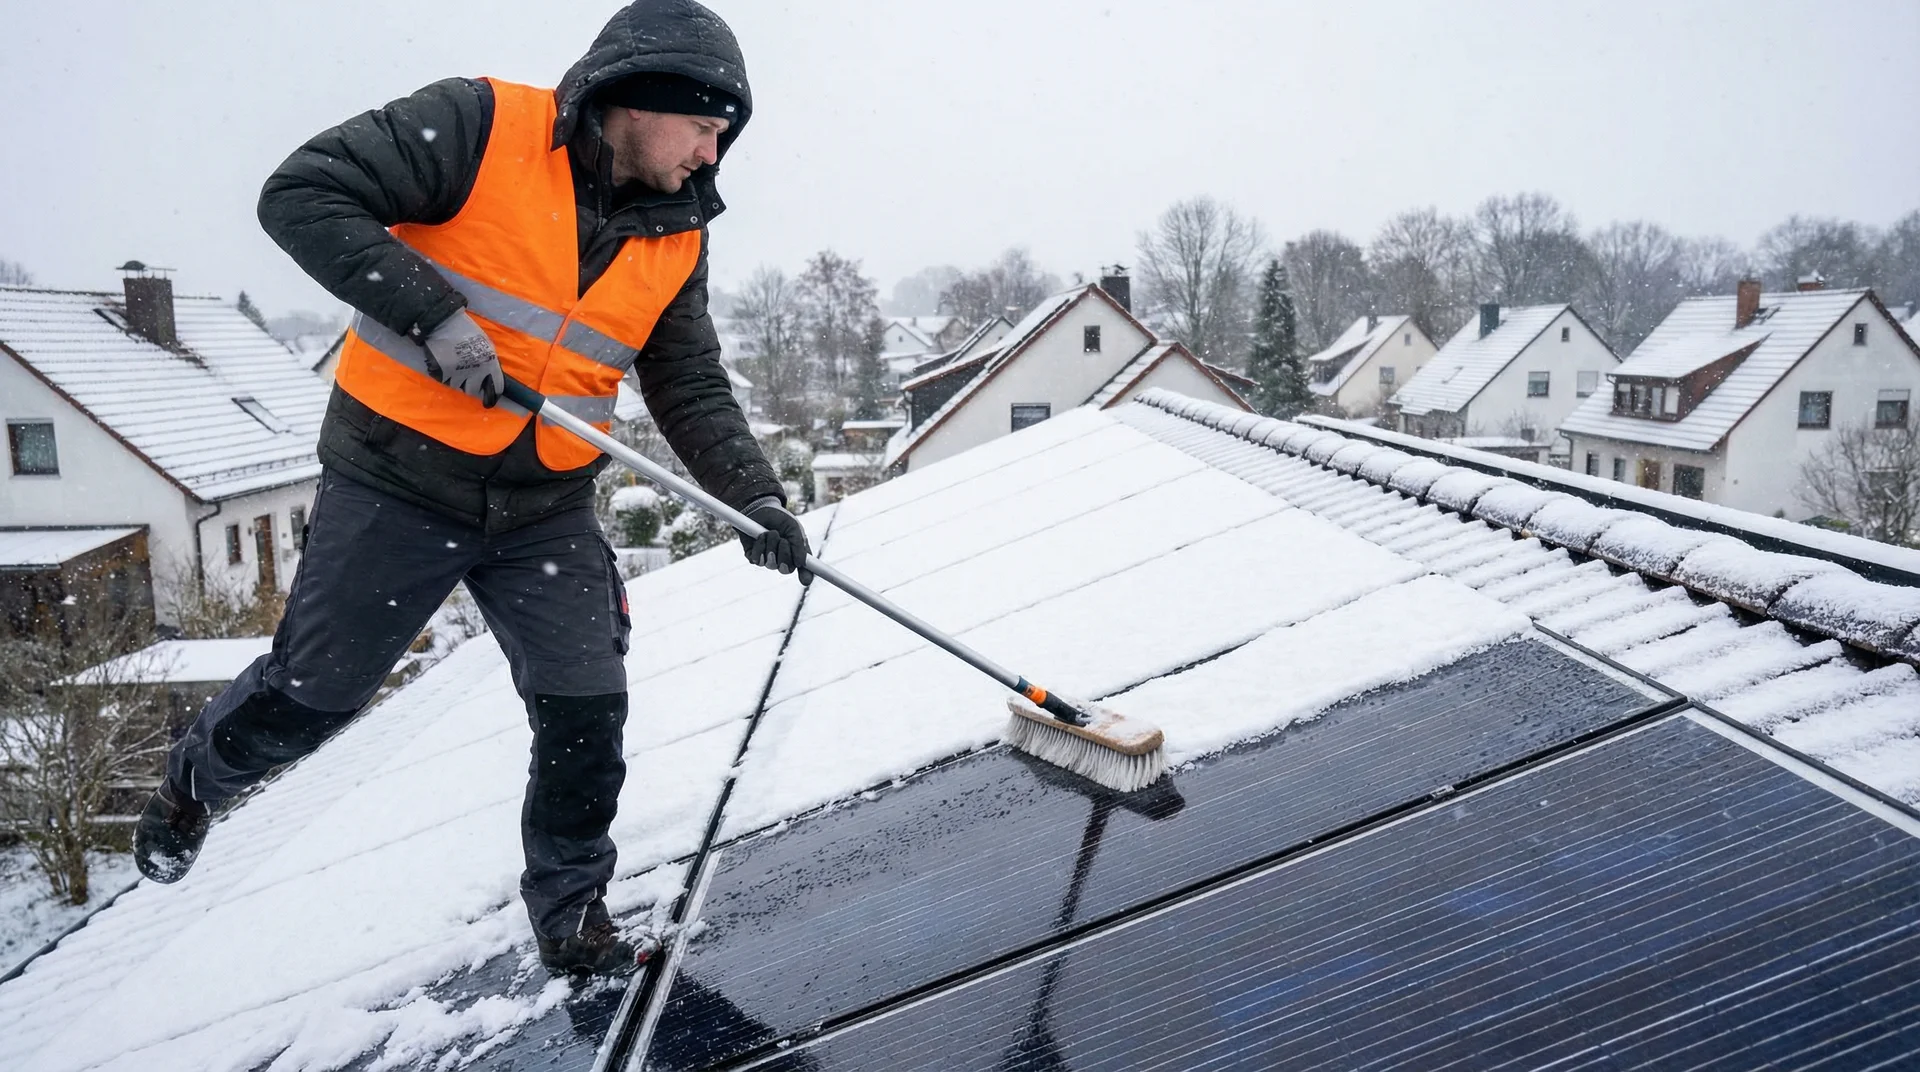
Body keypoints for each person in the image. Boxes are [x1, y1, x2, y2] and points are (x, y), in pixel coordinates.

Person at [132, 0, 809, 978]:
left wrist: (758, 498)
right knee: (313, 698)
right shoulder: (481, 128)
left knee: (585, 707)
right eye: (704, 128)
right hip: (398, 480)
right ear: (640, 99)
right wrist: (432, 313)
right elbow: (303, 192)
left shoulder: (678, 229)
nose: (713, 154)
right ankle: (193, 782)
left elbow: (689, 380)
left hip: (545, 505)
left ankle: (572, 916)